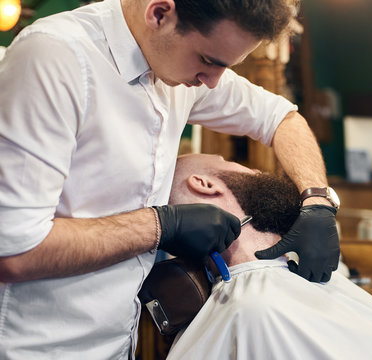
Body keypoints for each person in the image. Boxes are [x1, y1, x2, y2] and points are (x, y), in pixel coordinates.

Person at [0, 0, 340, 358]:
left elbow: (281, 118)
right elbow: (14, 251)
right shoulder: (56, 58)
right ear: (160, 13)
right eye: (209, 60)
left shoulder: (178, 70)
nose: (212, 82)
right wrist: (161, 226)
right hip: (29, 347)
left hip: (117, 346)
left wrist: (318, 201)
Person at [164, 153, 372, 360]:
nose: (253, 167)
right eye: (226, 161)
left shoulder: (283, 282)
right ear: (203, 183)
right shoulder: (256, 310)